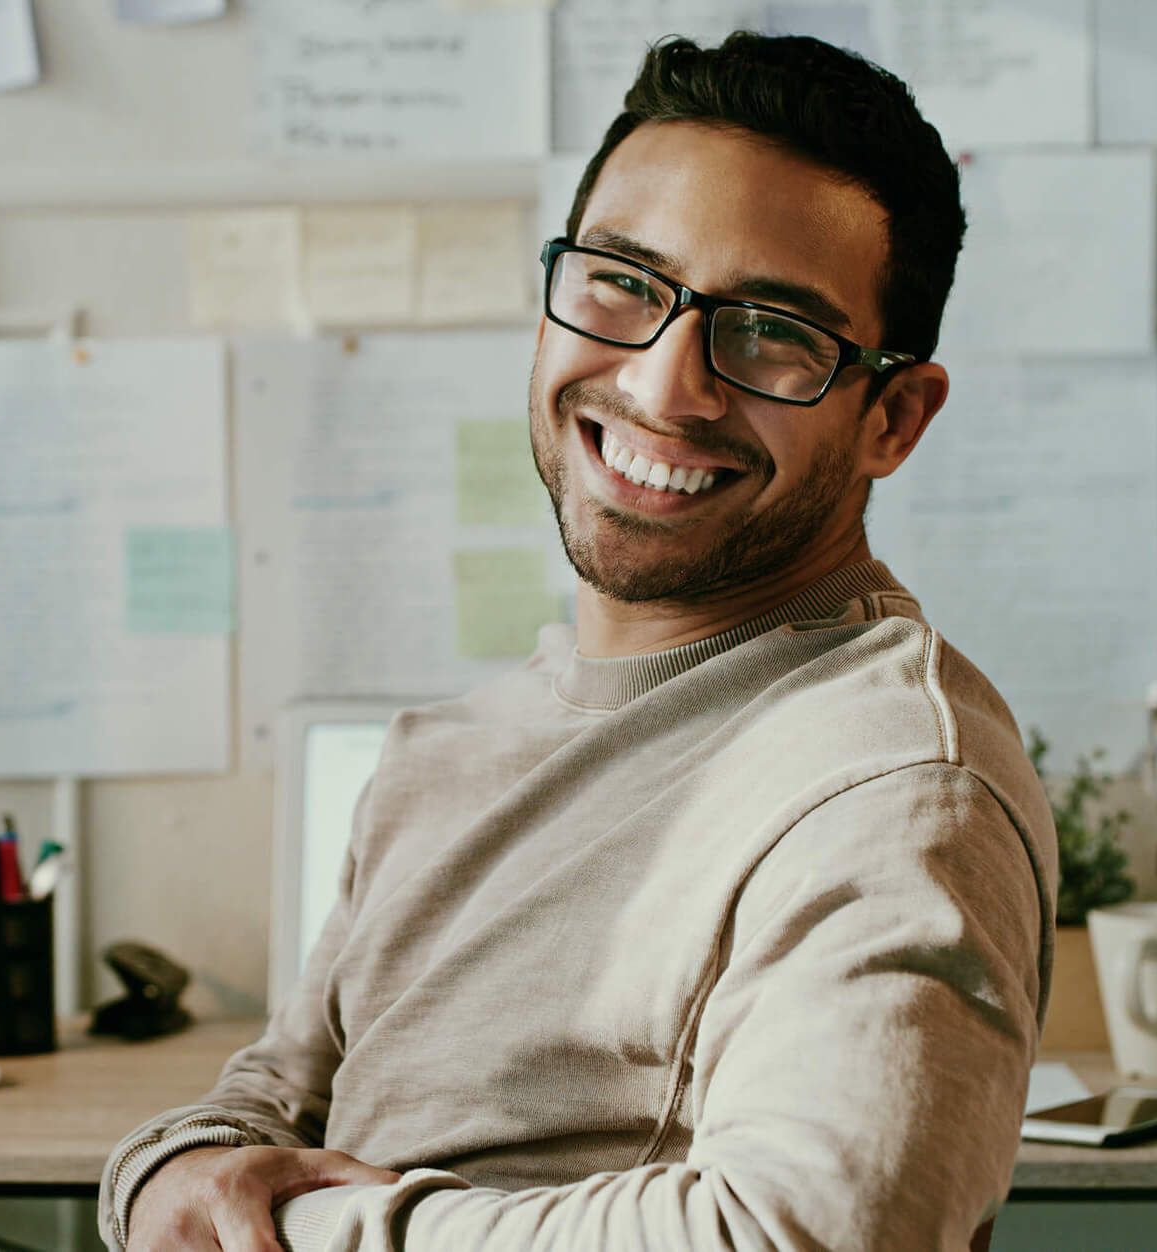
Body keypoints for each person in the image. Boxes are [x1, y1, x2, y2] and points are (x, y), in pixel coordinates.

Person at [102, 31, 1055, 1252]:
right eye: (622, 280)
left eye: (772, 331)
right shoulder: (439, 756)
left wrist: (321, 1232)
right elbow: (269, 1104)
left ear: (892, 417)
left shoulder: (896, 785)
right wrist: (162, 1170)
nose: (666, 388)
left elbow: (806, 1233)